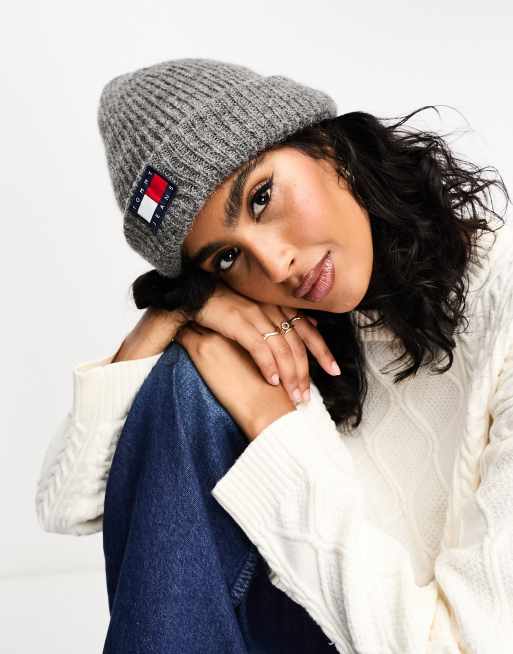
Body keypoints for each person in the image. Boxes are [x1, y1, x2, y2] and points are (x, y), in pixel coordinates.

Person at [35, 57, 513, 652]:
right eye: (227, 257)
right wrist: (169, 318)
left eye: (261, 198)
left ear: (325, 147)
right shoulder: (281, 326)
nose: (275, 264)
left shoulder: (503, 301)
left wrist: (273, 427)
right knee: (184, 380)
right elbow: (67, 505)